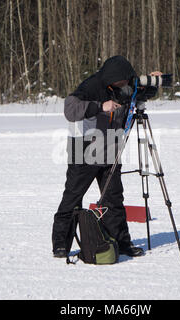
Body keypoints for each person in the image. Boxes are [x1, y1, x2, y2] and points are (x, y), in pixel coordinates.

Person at [52, 55, 162, 258]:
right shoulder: (92, 85)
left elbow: (141, 93)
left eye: (127, 80)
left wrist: (155, 82)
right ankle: (61, 245)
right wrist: (99, 106)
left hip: (111, 145)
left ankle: (122, 243)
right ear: (112, 78)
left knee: (113, 198)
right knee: (73, 197)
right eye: (122, 81)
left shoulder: (128, 83)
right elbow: (70, 110)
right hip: (84, 147)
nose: (125, 84)